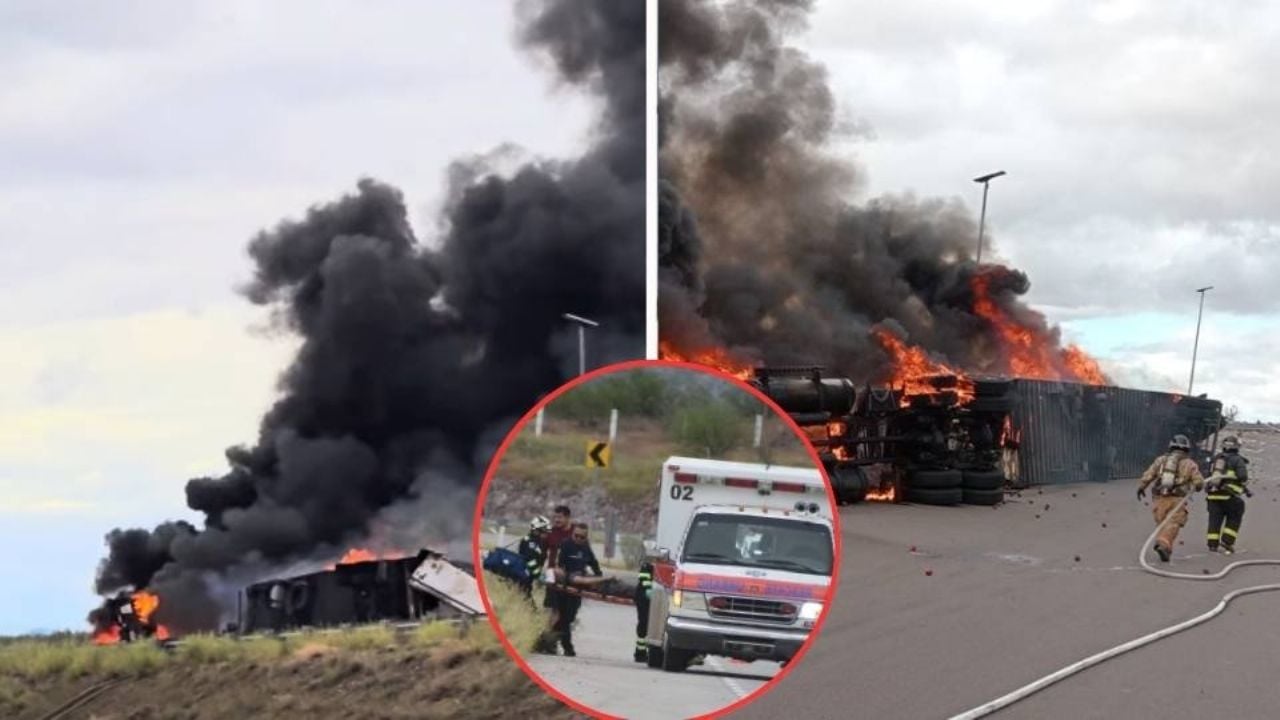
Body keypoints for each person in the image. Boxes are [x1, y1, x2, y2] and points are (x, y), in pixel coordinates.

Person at [1137, 434, 1205, 562]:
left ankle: (1165, 548)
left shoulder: (1161, 460)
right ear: (1187, 449)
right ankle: (1163, 544)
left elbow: (1149, 474)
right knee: (1173, 523)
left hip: (1159, 499)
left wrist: (1141, 487)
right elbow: (1199, 481)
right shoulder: (1190, 464)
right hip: (1177, 500)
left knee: (1162, 523)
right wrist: (1198, 486)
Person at [554, 522, 604, 657]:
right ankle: (567, 648)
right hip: (564, 587)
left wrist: (599, 576)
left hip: (578, 586)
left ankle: (550, 639)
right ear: (572, 534)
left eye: (582, 537)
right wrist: (561, 576)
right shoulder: (565, 545)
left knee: (569, 618)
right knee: (564, 618)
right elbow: (557, 565)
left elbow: (593, 563)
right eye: (576, 536)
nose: (579, 539)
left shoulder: (586, 547)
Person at [1205, 435, 1251, 555]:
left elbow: (1207, 475)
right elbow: (1242, 476)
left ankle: (1212, 545)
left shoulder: (1215, 459)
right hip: (1230, 496)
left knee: (1214, 520)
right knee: (1234, 518)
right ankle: (1227, 541)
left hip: (1213, 496)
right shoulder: (1237, 460)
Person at [517, 515, 551, 598]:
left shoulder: (537, 542)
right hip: (523, 578)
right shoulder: (530, 543)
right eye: (545, 531)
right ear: (537, 530)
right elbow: (530, 560)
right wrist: (539, 576)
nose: (546, 534)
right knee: (525, 601)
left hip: (528, 579)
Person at [633, 559, 653, 662]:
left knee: (648, 625)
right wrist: (649, 589)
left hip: (653, 598)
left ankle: (642, 651)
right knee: (644, 623)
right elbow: (643, 578)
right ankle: (640, 653)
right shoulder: (647, 565)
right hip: (643, 597)